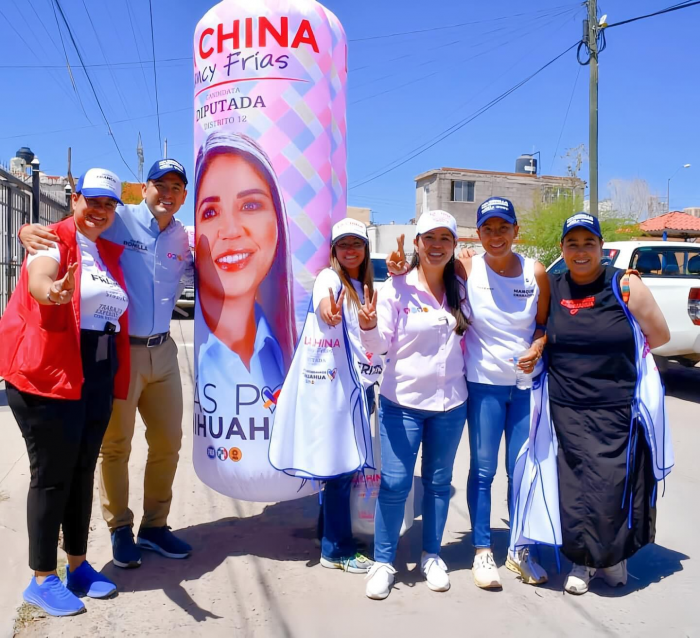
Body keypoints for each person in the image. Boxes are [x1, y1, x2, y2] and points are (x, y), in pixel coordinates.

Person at [19, 159, 193, 568]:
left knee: (168, 443)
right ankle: (120, 528)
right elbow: (73, 227)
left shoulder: (183, 237)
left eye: (176, 188)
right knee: (115, 445)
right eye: (160, 185)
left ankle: (155, 526)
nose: (168, 194)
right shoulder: (119, 219)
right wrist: (28, 231)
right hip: (121, 351)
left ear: (184, 196)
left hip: (164, 351)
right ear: (144, 189)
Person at [0, 169, 129, 616]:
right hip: (49, 374)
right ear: (75, 199)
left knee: (81, 471)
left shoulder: (106, 249)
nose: (100, 211)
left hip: (94, 374)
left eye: (109, 204)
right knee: (52, 475)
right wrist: (52, 292)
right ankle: (41, 578)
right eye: (92, 201)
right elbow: (42, 277)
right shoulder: (51, 239)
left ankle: (77, 566)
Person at [547, 212, 670, 595]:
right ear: (562, 249)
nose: (581, 251)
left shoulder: (624, 285)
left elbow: (659, 336)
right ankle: (582, 561)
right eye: (573, 244)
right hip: (565, 406)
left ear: (602, 247)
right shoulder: (552, 286)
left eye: (589, 243)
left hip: (616, 406)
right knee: (573, 487)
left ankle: (612, 557)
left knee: (611, 485)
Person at [360, 210, 470, 600]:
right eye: (429, 238)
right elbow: (380, 347)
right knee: (394, 485)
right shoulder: (396, 288)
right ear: (418, 243)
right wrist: (368, 326)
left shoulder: (462, 286)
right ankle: (383, 561)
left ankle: (432, 556)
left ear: (454, 244)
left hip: (450, 404)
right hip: (402, 402)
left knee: (439, 484)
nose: (437, 245)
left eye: (445, 238)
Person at [456, 197, 549, 589]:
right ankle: (482, 550)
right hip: (484, 385)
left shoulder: (535, 271)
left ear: (516, 231)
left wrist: (537, 347)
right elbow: (428, 277)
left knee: (522, 471)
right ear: (478, 234)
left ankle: (520, 549)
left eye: (503, 228)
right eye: (488, 229)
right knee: (483, 470)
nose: (496, 236)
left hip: (525, 389)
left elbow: (543, 324)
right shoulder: (466, 267)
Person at [312, 218, 377, 574]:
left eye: (356, 243)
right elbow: (325, 302)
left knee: (342, 468)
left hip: (360, 388)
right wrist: (328, 310)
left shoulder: (363, 288)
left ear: (365, 248)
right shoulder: (330, 278)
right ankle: (336, 550)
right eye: (343, 244)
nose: (350, 250)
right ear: (333, 250)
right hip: (339, 391)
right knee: (341, 468)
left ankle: (327, 533)